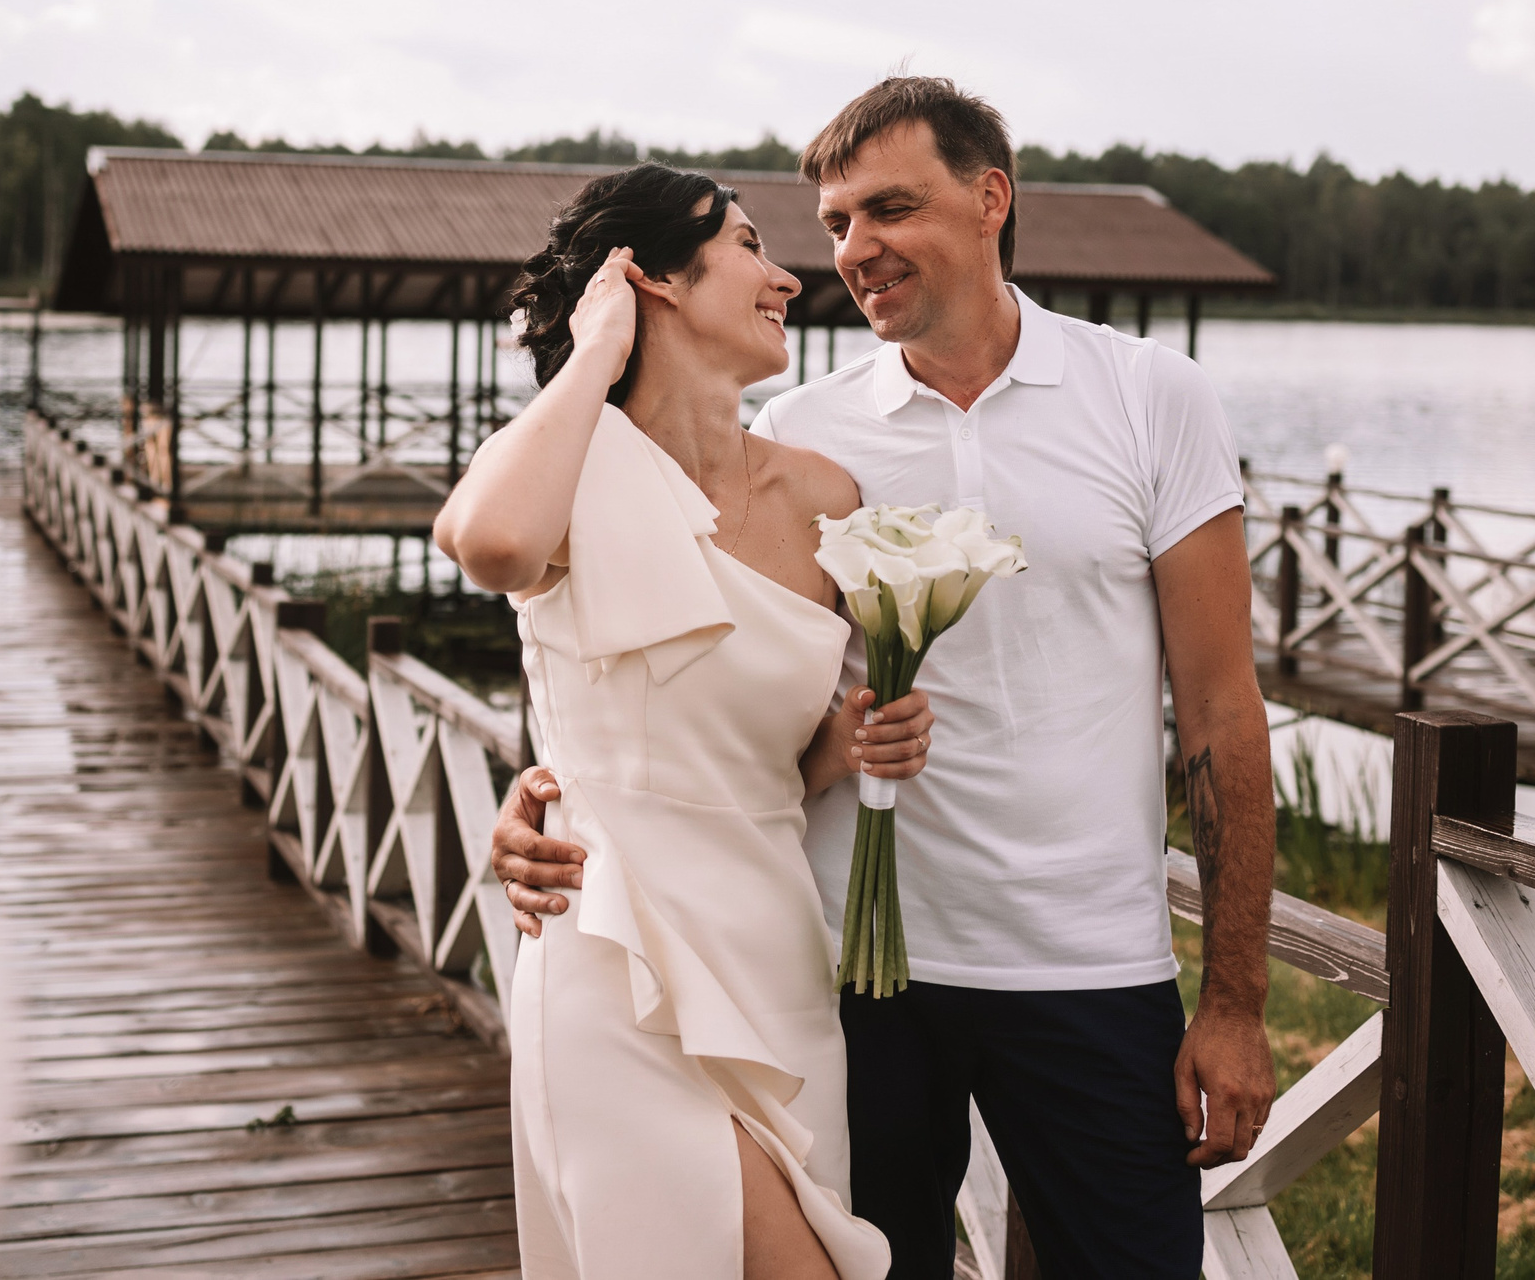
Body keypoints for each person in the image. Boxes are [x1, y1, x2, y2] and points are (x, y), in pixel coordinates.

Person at [493, 79, 1278, 1279]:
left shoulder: (1151, 398)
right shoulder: (807, 435)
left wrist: (1232, 1003)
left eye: (890, 210)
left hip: (1091, 967)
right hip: (856, 976)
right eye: (837, 224)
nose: (854, 251)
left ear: (989, 200)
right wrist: (544, 789)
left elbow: (1223, 713)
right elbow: (626, 628)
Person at [436, 163, 938, 1280]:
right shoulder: (570, 469)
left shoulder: (825, 498)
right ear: (653, 278)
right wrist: (598, 350)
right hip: (613, 945)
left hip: (772, 945)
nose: (786, 278)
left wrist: (856, 741)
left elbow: (785, 759)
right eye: (751, 246)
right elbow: (492, 547)